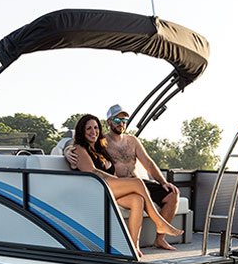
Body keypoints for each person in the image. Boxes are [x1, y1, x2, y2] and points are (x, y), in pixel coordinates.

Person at [67, 104, 182, 250]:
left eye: (124, 120)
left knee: (148, 198)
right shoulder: (102, 141)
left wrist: (163, 182)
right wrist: (67, 150)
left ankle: (135, 247)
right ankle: (159, 223)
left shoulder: (127, 141)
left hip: (126, 184)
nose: (121, 123)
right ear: (108, 122)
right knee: (137, 183)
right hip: (109, 186)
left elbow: (148, 162)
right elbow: (81, 154)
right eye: (117, 120)